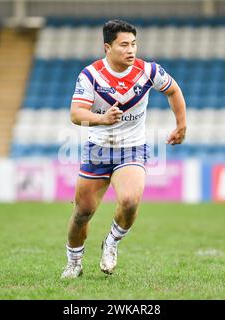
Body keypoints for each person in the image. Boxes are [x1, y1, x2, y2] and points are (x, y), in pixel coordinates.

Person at [61, 19, 187, 279]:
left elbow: (173, 90)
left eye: (134, 44)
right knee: (82, 213)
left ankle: (111, 243)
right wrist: (102, 118)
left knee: (129, 201)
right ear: (107, 47)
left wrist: (181, 125)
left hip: (132, 148)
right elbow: (76, 114)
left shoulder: (149, 71)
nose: (131, 50)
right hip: (98, 150)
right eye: (124, 45)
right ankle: (74, 262)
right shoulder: (91, 75)